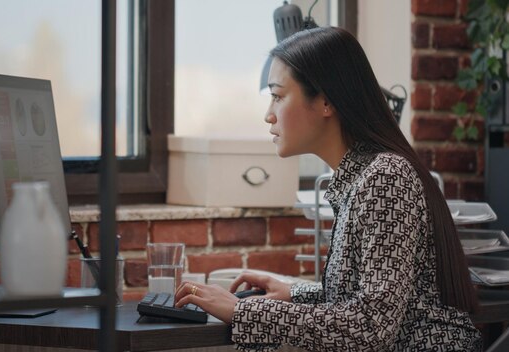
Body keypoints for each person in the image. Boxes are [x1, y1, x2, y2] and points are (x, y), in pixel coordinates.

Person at [174, 26, 482, 351]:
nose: (268, 115)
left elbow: (370, 328)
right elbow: (368, 299)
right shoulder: (360, 177)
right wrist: (294, 293)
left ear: (325, 102)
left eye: (278, 96)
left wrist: (241, 310)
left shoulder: (385, 177)